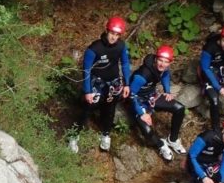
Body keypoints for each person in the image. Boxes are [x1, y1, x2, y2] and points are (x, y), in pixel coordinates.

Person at [68, 16, 131, 153]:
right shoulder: (94, 48)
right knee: (88, 107)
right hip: (97, 81)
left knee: (110, 107)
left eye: (117, 35)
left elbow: (125, 64)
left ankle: (106, 134)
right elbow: (86, 70)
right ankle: (74, 135)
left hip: (113, 81)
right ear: (106, 31)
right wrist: (87, 90)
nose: (114, 37)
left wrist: (127, 84)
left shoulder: (121, 46)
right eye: (112, 33)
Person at [129, 45, 186, 161]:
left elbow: (165, 74)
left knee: (179, 108)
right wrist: (142, 113)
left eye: (166, 62)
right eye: (160, 60)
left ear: (170, 62)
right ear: (155, 59)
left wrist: (167, 91)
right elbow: (131, 95)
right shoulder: (142, 75)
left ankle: (173, 139)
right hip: (137, 100)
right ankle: (161, 144)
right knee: (147, 130)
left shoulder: (163, 69)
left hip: (151, 96)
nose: (162, 64)